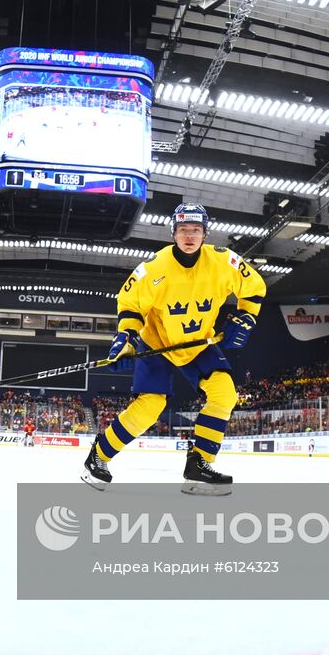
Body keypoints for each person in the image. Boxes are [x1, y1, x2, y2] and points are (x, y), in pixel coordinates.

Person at [82, 202, 265, 496]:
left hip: (199, 343)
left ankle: (199, 466)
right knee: (150, 408)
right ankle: (98, 457)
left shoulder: (224, 261)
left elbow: (254, 286)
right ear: (174, 233)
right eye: (183, 230)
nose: (189, 236)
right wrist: (126, 338)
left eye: (195, 230)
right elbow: (130, 304)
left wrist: (247, 316)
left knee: (224, 393)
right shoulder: (154, 268)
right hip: (157, 344)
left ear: (205, 233)